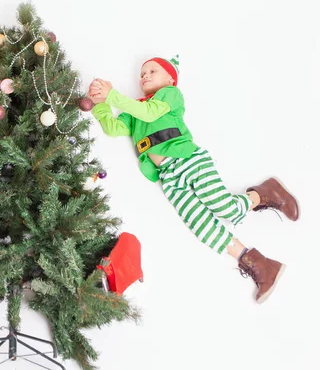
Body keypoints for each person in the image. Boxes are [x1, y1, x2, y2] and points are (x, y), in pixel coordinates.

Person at [88, 55, 299, 303]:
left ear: (170, 78)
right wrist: (100, 103)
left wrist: (113, 95)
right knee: (201, 225)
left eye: (152, 71)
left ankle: (264, 193)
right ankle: (261, 265)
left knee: (223, 206)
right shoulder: (133, 110)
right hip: (169, 177)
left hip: (188, 159)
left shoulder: (169, 95)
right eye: (142, 73)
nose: (144, 76)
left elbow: (149, 112)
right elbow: (113, 128)